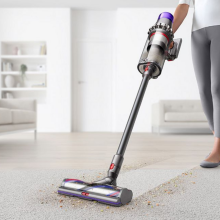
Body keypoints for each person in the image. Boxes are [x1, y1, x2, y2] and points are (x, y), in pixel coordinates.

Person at [170, 0, 220, 168]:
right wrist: (169, 34)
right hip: (198, 33)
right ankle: (218, 139)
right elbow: (183, 5)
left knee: (217, 88)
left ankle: (217, 150)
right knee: (204, 90)